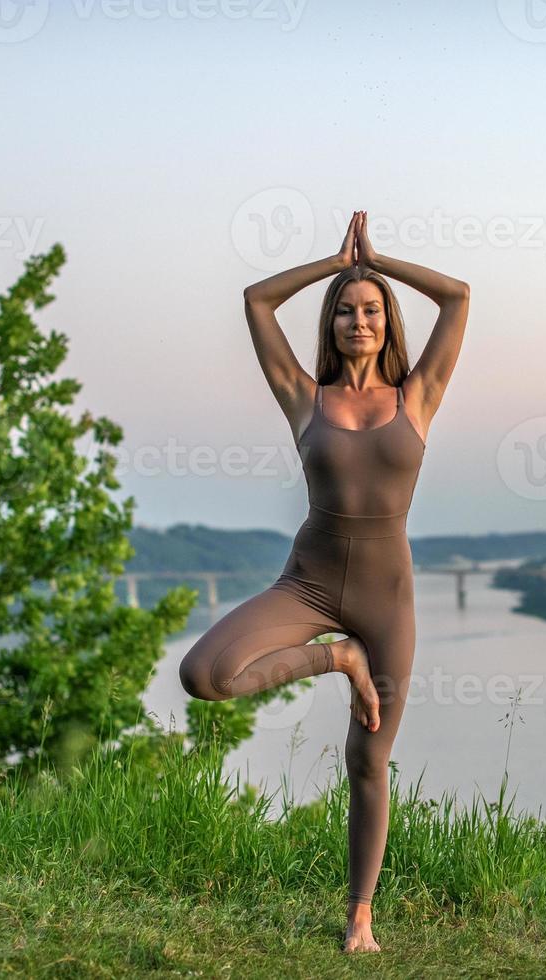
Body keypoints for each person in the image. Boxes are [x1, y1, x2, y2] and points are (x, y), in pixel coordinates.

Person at [178, 210, 469, 953]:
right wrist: (335, 263)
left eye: (370, 310)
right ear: (330, 323)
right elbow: (255, 301)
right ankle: (337, 658)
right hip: (307, 586)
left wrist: (379, 262)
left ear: (388, 321)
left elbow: (460, 298)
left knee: (369, 758)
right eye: (345, 310)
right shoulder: (303, 396)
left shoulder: (418, 396)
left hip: (387, 600)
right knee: (204, 674)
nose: (357, 320)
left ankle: (360, 917)